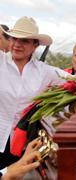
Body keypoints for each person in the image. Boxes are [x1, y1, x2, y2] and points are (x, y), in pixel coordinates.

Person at [0, 16, 69, 168]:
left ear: (35, 45)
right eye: (14, 38)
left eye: (24, 41)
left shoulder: (45, 72)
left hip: (22, 144)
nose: (17, 44)